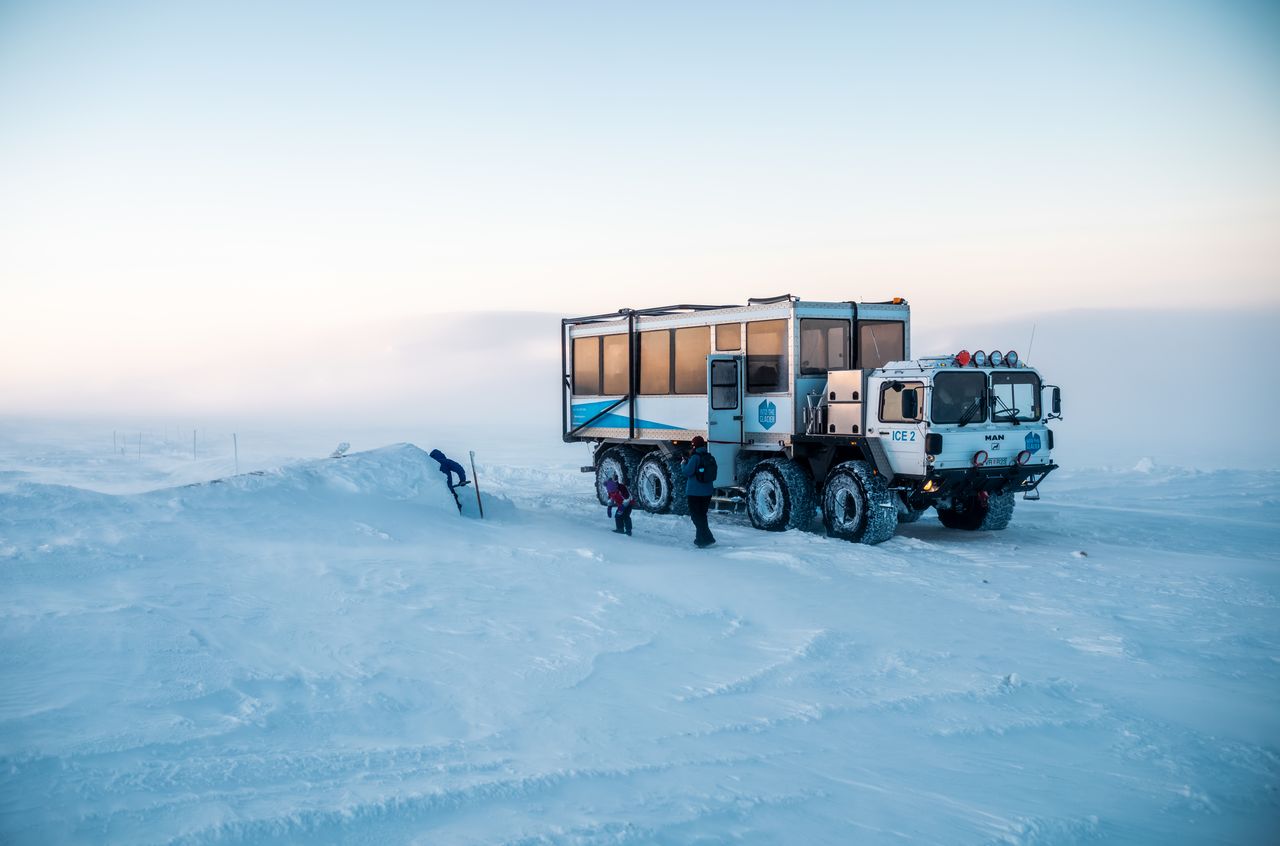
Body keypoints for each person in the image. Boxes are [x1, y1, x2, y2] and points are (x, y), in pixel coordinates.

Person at [682, 436, 716, 547]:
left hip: (694, 492)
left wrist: (683, 463)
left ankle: (707, 538)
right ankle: (701, 539)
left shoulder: (695, 458)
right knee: (702, 515)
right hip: (707, 491)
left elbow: (687, 472)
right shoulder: (709, 456)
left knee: (695, 516)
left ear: (694, 445)